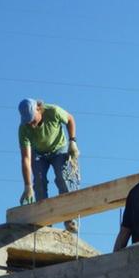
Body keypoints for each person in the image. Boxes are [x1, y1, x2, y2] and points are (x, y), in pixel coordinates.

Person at [18, 98, 80, 232]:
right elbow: (26, 158)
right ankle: (45, 222)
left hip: (59, 149)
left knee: (62, 178)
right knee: (39, 183)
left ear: (38, 109)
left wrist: (72, 141)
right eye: (28, 121)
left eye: (32, 119)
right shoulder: (24, 129)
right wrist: (27, 186)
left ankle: (69, 218)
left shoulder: (53, 111)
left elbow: (70, 119)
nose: (31, 124)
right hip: (39, 154)